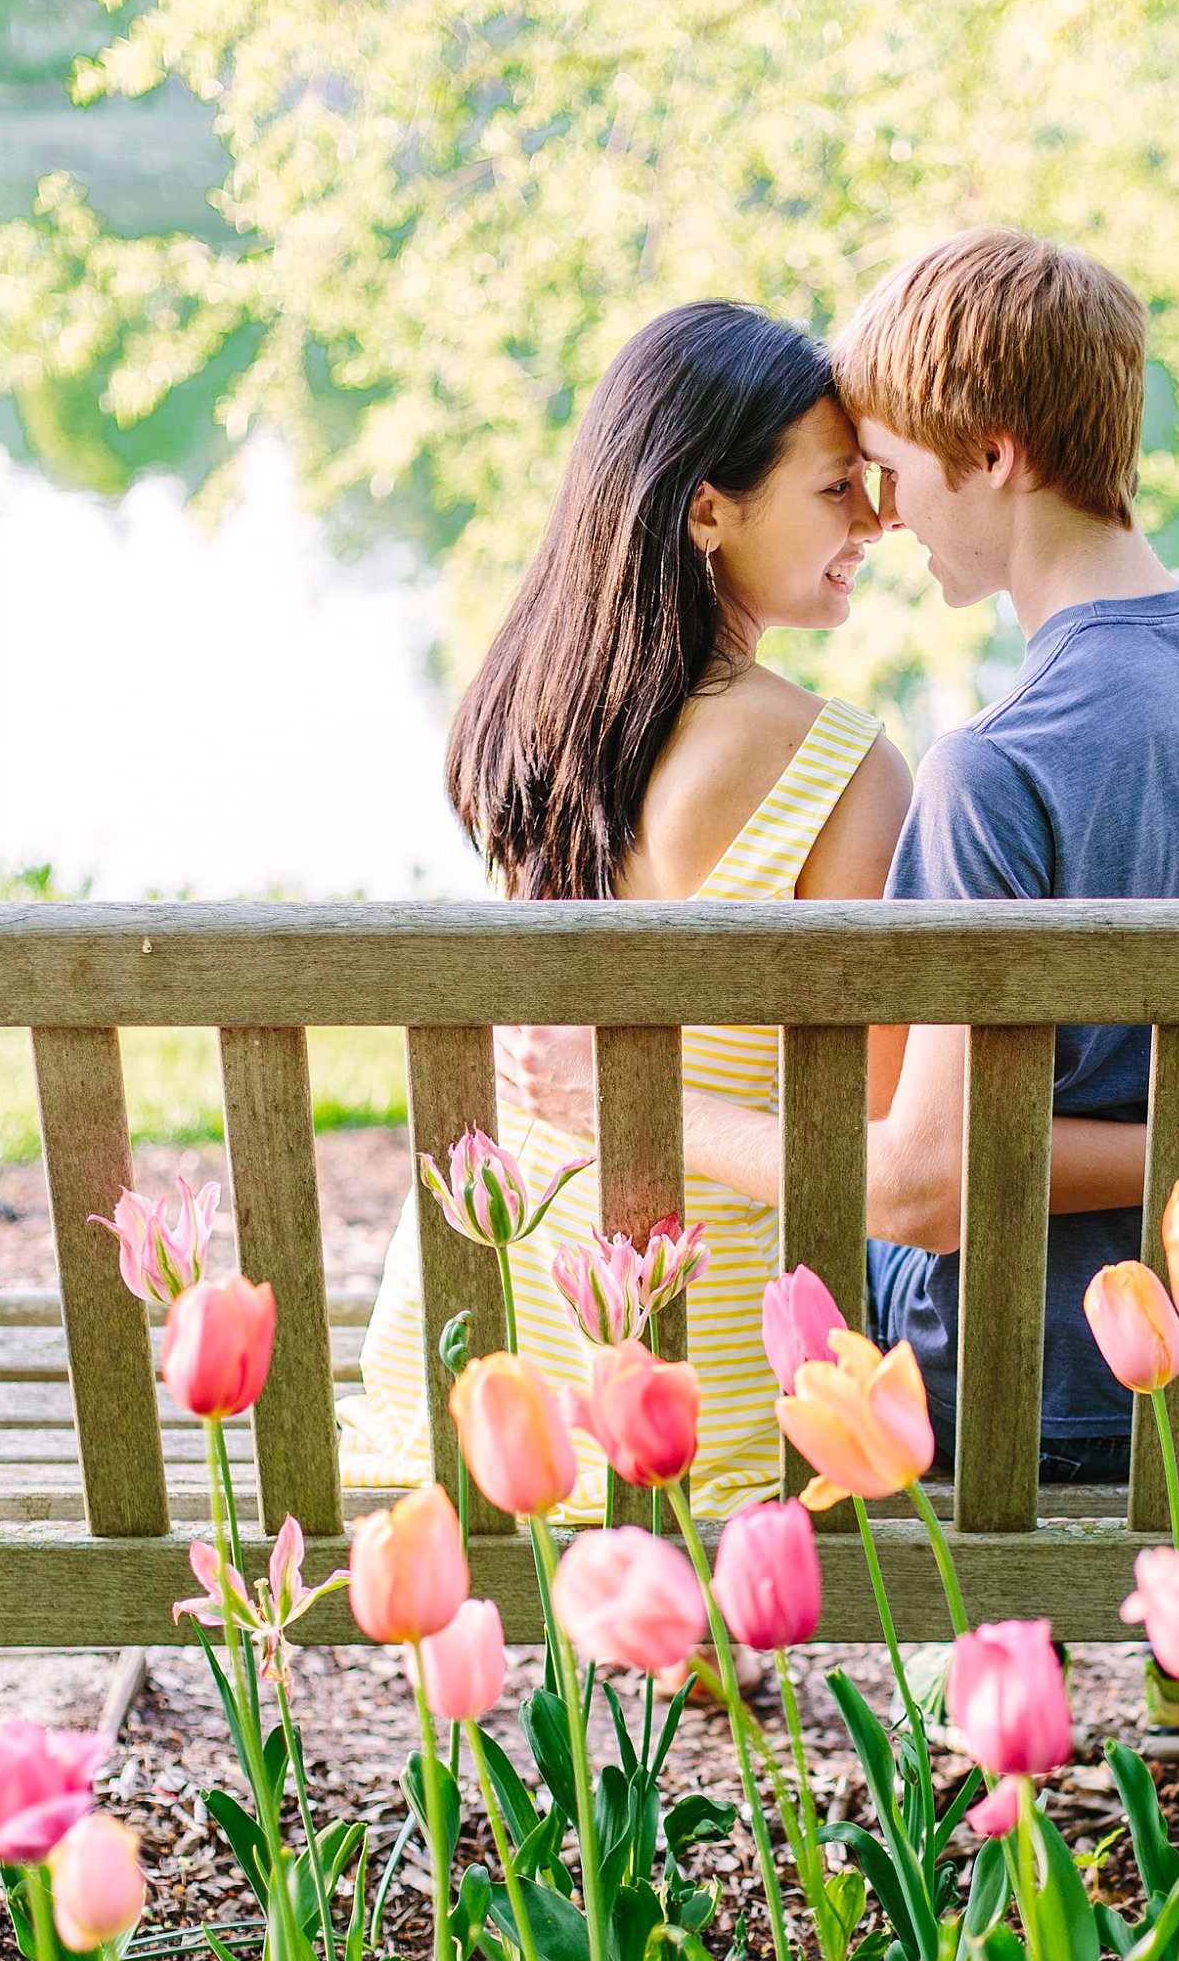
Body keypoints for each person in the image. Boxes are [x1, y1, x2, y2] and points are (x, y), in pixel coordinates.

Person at [501, 229, 1179, 1481]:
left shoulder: (991, 767)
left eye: (883, 471)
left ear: (993, 457)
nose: (883, 519)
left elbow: (916, 1192)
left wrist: (634, 1105)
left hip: (1033, 1386)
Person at [341, 300, 910, 1516]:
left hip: (506, 1335)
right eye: (835, 491)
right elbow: (873, 1135)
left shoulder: (538, 721)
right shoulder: (840, 767)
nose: (875, 523)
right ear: (709, 508)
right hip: (706, 1377)